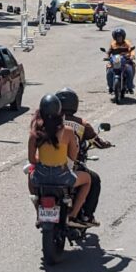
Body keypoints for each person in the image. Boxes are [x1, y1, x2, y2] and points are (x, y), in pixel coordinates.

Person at [28, 94, 92, 228]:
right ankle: (73, 215)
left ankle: (39, 212)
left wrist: (43, 159)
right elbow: (73, 157)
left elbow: (32, 159)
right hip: (63, 178)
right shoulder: (68, 131)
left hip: (40, 178)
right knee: (87, 179)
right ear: (59, 112)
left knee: (30, 174)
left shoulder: (35, 132)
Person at [57, 88, 110, 227]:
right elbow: (97, 142)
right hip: (71, 166)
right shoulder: (82, 124)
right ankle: (86, 216)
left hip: (49, 165)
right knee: (94, 179)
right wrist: (106, 144)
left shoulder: (50, 121)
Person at [106, 27, 136, 94]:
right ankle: (110, 86)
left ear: (123, 36)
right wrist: (107, 57)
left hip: (125, 60)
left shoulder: (127, 43)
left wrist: (132, 56)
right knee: (109, 70)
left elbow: (131, 50)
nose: (119, 38)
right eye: (117, 36)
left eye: (120, 36)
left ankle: (130, 86)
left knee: (130, 69)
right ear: (115, 37)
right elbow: (108, 52)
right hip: (115, 61)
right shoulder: (113, 44)